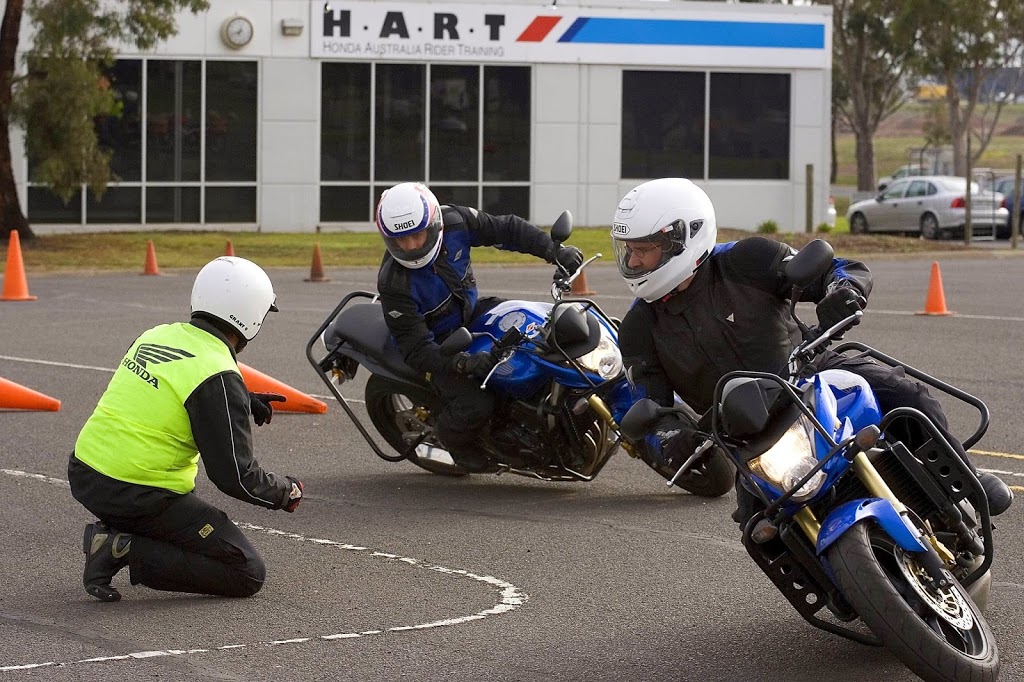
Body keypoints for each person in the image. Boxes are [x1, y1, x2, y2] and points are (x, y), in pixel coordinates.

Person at [612, 177, 1013, 521]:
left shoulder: (745, 261)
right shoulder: (638, 328)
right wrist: (668, 437)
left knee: (903, 394)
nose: (632, 259)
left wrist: (845, 291)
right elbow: (650, 406)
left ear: (681, 238)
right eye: (628, 249)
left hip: (811, 371)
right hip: (745, 430)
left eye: (643, 249)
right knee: (758, 525)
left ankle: (963, 479)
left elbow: (836, 268)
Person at [69, 256, 305, 602]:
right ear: (251, 317)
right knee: (246, 572)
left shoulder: (159, 334)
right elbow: (235, 477)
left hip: (86, 473)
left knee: (182, 522)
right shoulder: (216, 373)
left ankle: (118, 533)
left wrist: (242, 397)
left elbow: (168, 389)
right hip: (138, 492)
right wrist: (286, 492)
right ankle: (121, 548)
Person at [375, 182, 584, 471]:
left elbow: (506, 228)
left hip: (472, 313)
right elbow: (415, 348)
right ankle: (456, 445)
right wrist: (462, 363)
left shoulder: (456, 222)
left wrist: (553, 251)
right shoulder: (394, 283)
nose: (411, 246)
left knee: (535, 327)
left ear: (433, 223)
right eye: (401, 240)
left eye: (417, 235)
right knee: (477, 403)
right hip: (440, 344)